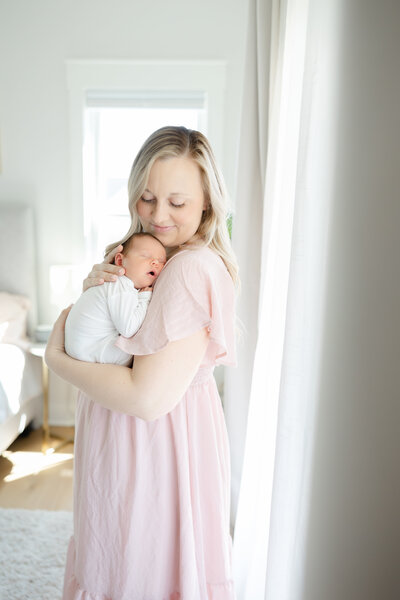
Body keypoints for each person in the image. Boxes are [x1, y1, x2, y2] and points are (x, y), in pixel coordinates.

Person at [45, 125, 239, 600]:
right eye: (147, 198)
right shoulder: (151, 260)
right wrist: (102, 290)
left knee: (142, 569)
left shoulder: (190, 269)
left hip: (157, 445)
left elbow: (147, 399)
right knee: (112, 558)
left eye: (177, 202)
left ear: (207, 204)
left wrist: (56, 358)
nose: (158, 216)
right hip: (125, 436)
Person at [65, 232, 166, 366]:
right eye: (145, 256)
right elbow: (128, 328)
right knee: (138, 350)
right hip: (91, 350)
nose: (155, 262)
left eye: (161, 261)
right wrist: (144, 299)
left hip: (82, 347)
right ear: (120, 261)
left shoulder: (117, 286)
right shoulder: (120, 286)